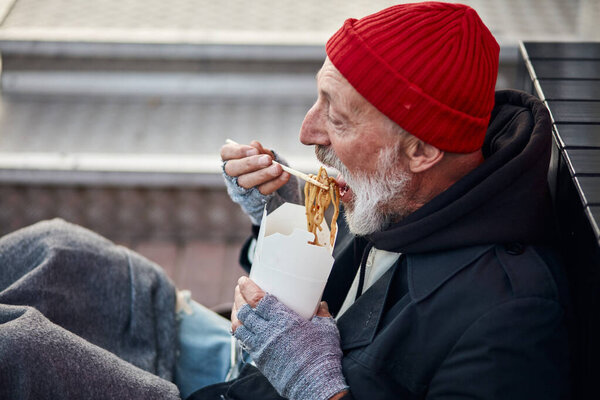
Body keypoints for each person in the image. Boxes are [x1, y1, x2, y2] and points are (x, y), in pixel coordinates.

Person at [0, 2, 569, 400]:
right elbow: (303, 296)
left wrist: (318, 389)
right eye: (318, 99)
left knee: (21, 354)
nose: (307, 132)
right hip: (242, 368)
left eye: (337, 117)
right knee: (57, 250)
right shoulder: (406, 189)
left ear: (420, 150)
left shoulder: (508, 316)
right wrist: (281, 219)